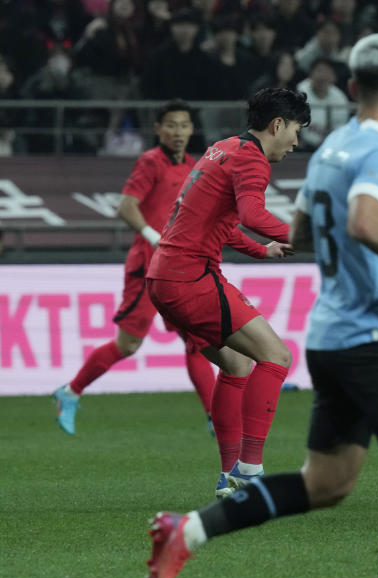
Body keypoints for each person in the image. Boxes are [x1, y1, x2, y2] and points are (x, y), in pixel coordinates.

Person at [146, 34, 378, 578]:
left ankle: (186, 531)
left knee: (327, 484)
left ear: (350, 89)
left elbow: (299, 226)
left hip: (331, 335)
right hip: (370, 333)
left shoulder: (332, 152)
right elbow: (362, 223)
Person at [52, 100, 265, 437]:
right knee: (128, 345)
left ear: (192, 129)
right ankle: (70, 392)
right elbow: (126, 207)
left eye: (184, 125)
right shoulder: (150, 162)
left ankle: (213, 416)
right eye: (171, 125)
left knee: (196, 340)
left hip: (180, 271)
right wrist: (153, 236)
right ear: (158, 129)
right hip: (147, 268)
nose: (178, 132)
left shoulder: (195, 165)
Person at [144, 88, 308, 499]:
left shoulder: (224, 148)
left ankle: (228, 478)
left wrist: (262, 249)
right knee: (277, 356)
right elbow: (253, 214)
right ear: (277, 125)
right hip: (191, 277)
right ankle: (250, 473)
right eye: (296, 130)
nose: (296, 142)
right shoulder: (252, 159)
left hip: (163, 276)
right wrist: (310, 235)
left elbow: (222, 221)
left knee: (236, 365)